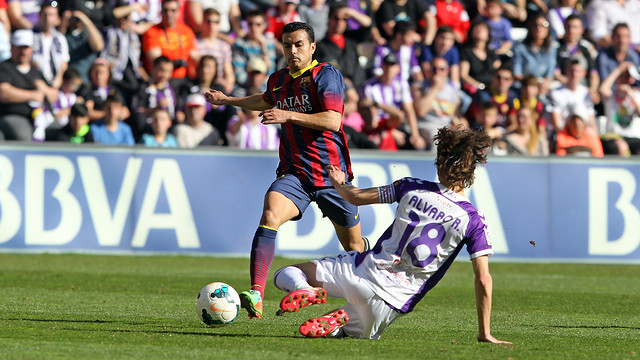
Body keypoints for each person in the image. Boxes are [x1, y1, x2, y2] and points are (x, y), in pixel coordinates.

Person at [273, 126, 512, 343]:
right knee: (352, 333)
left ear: (440, 164)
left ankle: (303, 289)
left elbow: (355, 196)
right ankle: (342, 321)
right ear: (471, 171)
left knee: (287, 273)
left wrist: (339, 183)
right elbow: (483, 279)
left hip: (362, 271)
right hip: (393, 301)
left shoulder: (411, 186)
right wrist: (484, 333)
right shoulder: (473, 220)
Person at [205, 22, 367, 320]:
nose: (292, 51)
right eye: (287, 45)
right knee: (269, 215)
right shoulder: (279, 79)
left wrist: (287, 114)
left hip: (332, 176)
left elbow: (332, 120)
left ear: (311, 47)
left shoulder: (326, 75)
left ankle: (368, 297)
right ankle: (256, 293)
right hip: (295, 173)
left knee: (355, 246)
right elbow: (265, 100)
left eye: (299, 45)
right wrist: (228, 100)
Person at [0, 29, 58, 141]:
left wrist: (43, 89)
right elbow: (4, 93)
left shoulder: (36, 72)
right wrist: (32, 95)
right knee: (22, 134)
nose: (23, 51)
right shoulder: (4, 68)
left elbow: (53, 96)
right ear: (12, 48)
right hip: (13, 115)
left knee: (59, 131)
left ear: (31, 49)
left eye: (26, 48)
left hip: (41, 117)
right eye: (19, 47)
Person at [142, 0, 197, 79]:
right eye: (165, 10)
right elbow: (157, 62)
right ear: (161, 12)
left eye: (173, 10)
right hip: (163, 78)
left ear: (179, 12)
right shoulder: (152, 32)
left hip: (184, 78)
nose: (169, 14)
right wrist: (175, 63)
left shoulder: (186, 30)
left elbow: (195, 57)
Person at [512, 14, 557, 95]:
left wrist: (545, 83)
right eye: (535, 25)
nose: (539, 28)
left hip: (543, 87)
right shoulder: (520, 47)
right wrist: (532, 84)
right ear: (530, 28)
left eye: (543, 25)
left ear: (548, 29)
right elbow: (517, 73)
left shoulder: (551, 49)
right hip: (524, 86)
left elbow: (550, 72)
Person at [196, 8, 235, 94]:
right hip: (199, 85)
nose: (211, 25)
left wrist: (228, 84)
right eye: (208, 21)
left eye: (215, 22)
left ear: (219, 24)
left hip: (218, 86)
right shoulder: (195, 44)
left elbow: (229, 73)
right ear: (203, 22)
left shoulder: (224, 46)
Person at [32, 1, 69, 89]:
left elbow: (64, 62)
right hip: (35, 83)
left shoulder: (60, 38)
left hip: (56, 84)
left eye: (51, 15)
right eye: (45, 14)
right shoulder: (30, 36)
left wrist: (58, 79)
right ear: (39, 16)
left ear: (57, 18)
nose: (47, 18)